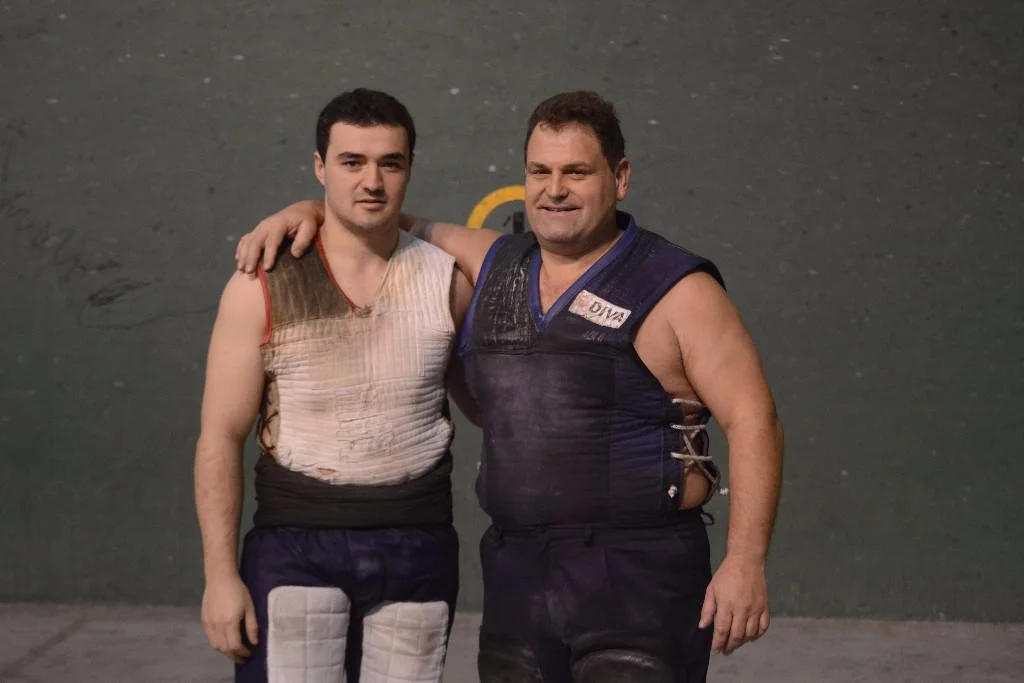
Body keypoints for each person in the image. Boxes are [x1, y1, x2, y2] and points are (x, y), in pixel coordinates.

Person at [236, 91, 784, 683]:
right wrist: (309, 209)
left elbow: (755, 420)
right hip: (518, 573)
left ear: (620, 177)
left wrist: (746, 561)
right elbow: (388, 221)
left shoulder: (679, 289)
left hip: (640, 572)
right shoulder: (496, 262)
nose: (555, 190)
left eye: (576, 172)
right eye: (540, 172)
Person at [194, 88, 474, 683]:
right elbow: (220, 436)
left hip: (419, 546)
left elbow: (489, 407)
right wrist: (220, 576)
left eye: (389, 163)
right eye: (352, 162)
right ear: (320, 167)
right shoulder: (261, 283)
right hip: (295, 548)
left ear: (409, 168)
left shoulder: (449, 282)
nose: (371, 181)